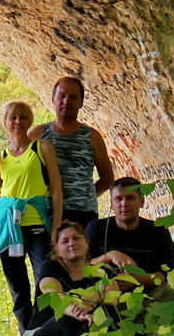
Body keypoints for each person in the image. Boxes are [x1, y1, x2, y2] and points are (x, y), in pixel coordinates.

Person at [0, 99, 62, 333]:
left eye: (23, 117)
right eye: (13, 117)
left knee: (45, 280)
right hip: (7, 226)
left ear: (30, 121)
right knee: (17, 287)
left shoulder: (42, 148)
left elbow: (56, 189)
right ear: (5, 122)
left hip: (36, 223)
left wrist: (56, 228)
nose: (18, 122)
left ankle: (43, 333)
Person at [30, 220, 120, 336]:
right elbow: (55, 296)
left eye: (76, 238)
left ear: (86, 242)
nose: (71, 244)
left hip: (86, 331)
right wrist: (78, 312)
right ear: (57, 249)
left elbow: (113, 295)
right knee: (68, 320)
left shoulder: (99, 271)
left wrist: (89, 302)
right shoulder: (50, 268)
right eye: (65, 241)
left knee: (107, 315)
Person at [30, 76, 114, 229]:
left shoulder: (92, 136)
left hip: (83, 213)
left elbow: (107, 177)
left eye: (73, 97)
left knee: (82, 253)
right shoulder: (38, 133)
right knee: (48, 253)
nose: (66, 101)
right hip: (46, 211)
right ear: (53, 99)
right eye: (61, 96)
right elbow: (14, 158)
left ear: (81, 102)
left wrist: (85, 195)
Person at [86, 177, 174, 292]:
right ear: (111, 205)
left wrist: (138, 280)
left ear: (142, 202)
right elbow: (83, 266)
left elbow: (171, 272)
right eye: (118, 199)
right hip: (105, 293)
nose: (124, 204)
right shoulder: (97, 228)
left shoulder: (157, 230)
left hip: (150, 294)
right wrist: (110, 256)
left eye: (130, 198)